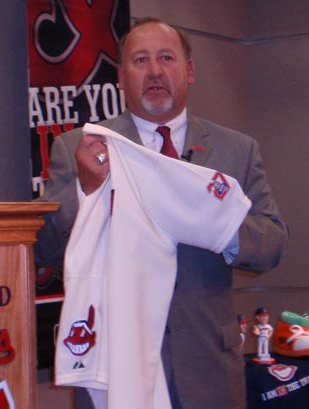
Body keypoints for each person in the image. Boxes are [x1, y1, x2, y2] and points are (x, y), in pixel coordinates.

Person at [34, 17, 288, 409]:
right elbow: (40, 249)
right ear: (121, 76)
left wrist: (217, 224)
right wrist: (84, 190)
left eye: (166, 58)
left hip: (208, 371)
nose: (154, 71)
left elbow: (271, 244)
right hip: (116, 366)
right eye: (140, 60)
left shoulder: (236, 150)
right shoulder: (80, 147)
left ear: (188, 71)